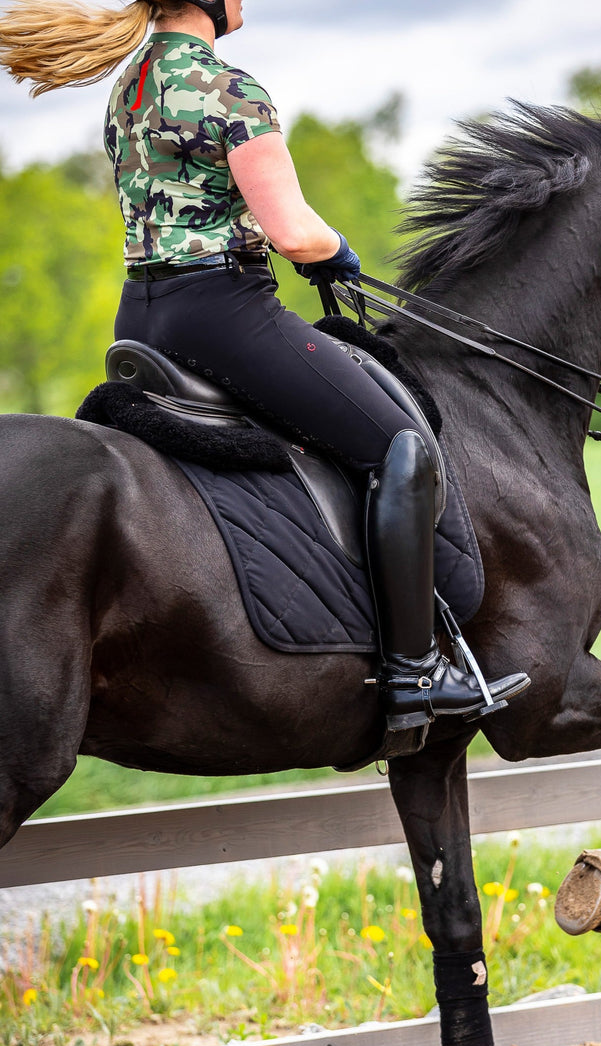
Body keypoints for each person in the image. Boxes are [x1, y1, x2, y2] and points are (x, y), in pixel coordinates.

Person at [0, 0, 530, 735]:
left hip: (143, 317)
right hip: (224, 315)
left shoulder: (129, 86)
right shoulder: (229, 88)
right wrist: (337, 248)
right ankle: (415, 674)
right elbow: (292, 231)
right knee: (400, 449)